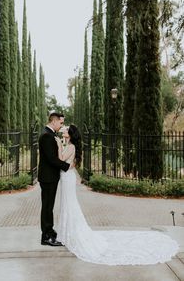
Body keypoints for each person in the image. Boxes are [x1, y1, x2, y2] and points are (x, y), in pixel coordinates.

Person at [55, 124, 179, 265]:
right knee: (68, 203)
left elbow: (61, 158)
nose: (63, 130)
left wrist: (58, 144)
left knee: (69, 203)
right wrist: (62, 143)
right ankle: (67, 232)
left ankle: (71, 232)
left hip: (67, 177)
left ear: (69, 133)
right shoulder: (70, 144)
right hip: (67, 177)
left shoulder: (70, 146)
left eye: (65, 129)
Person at [38, 112, 73, 247]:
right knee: (47, 207)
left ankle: (49, 233)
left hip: (50, 177)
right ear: (54, 121)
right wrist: (67, 166)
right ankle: (46, 236)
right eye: (61, 123)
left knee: (49, 206)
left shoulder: (50, 134)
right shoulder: (47, 136)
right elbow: (52, 159)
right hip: (48, 178)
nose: (62, 125)